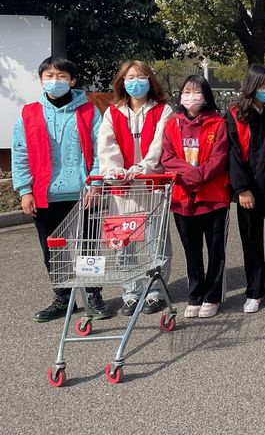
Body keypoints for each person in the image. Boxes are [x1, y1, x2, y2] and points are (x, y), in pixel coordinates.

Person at [11, 56, 110, 322]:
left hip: (84, 194)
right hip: (45, 195)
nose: (55, 81)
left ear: (72, 81)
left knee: (89, 247)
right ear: (41, 80)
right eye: (49, 76)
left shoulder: (89, 112)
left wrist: (95, 183)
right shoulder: (29, 113)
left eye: (61, 76)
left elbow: (101, 151)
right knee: (54, 251)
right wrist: (25, 190)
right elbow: (20, 153)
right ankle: (64, 297)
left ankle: (92, 294)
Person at [98, 60, 173, 316]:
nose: (135, 82)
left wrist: (144, 167)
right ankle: (130, 292)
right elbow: (106, 145)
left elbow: (160, 144)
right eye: (130, 78)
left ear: (150, 80)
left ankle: (155, 291)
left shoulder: (163, 110)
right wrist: (114, 170)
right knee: (123, 243)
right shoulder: (113, 112)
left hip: (152, 186)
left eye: (141, 77)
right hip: (122, 189)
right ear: (122, 82)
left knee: (156, 242)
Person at [161, 76, 230, 318]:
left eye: (197, 92)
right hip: (182, 197)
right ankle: (195, 295)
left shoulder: (218, 123)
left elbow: (219, 158)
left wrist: (198, 175)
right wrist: (190, 175)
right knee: (191, 250)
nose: (191, 97)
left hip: (213, 196)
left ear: (206, 96)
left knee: (215, 250)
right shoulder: (172, 124)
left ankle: (213, 296)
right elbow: (168, 157)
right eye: (187, 92)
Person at [226, 64, 265, 314]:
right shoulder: (235, 114)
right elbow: (232, 153)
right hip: (249, 190)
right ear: (252, 86)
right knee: (251, 242)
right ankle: (254, 290)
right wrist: (241, 188)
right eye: (262, 85)